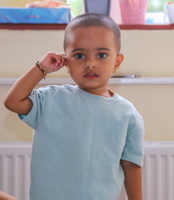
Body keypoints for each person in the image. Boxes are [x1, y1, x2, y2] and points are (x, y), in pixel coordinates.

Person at [4, 13, 145, 200]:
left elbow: (131, 165)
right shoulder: (50, 99)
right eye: (79, 55)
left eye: (101, 55)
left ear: (117, 62)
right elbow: (12, 101)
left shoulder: (128, 115)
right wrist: (42, 68)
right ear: (66, 62)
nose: (90, 64)